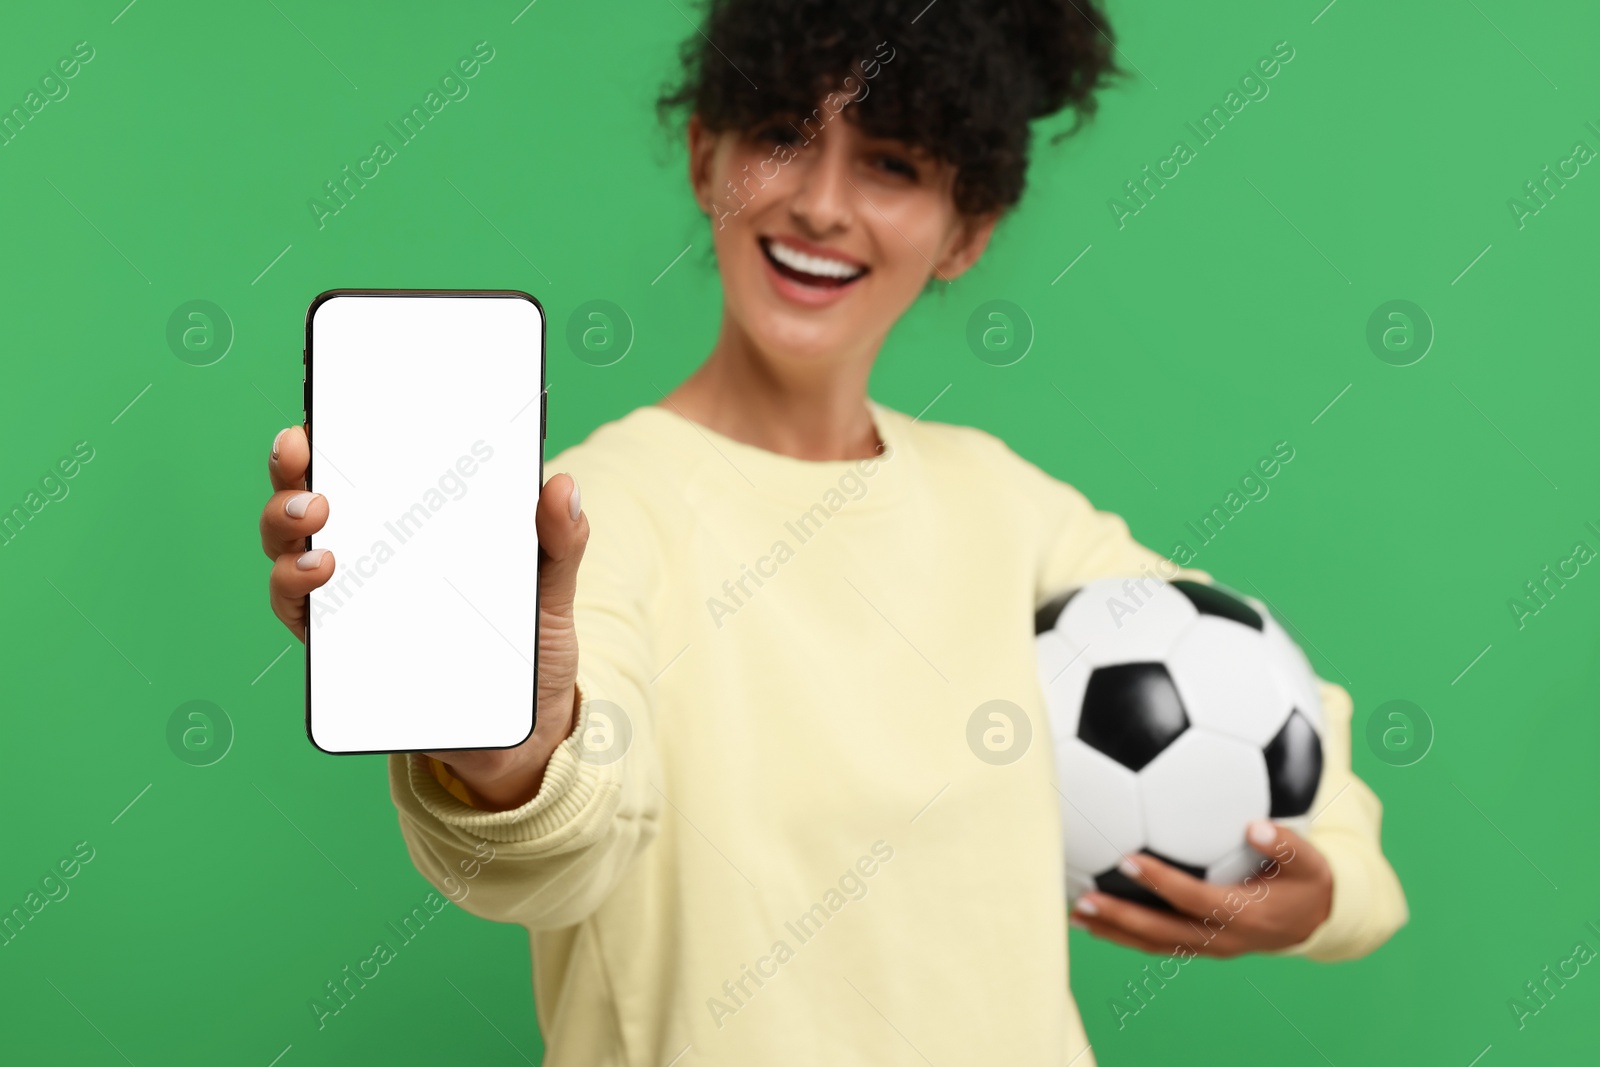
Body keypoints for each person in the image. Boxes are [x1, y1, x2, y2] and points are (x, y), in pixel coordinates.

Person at [258, 2, 1407, 1062]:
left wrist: (1327, 887)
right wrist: (506, 749)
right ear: (707, 156)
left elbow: (1266, 688)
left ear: (967, 229)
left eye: (894, 164)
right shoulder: (582, 517)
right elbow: (568, 835)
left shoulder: (1001, 504)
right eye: (780, 134)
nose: (819, 201)